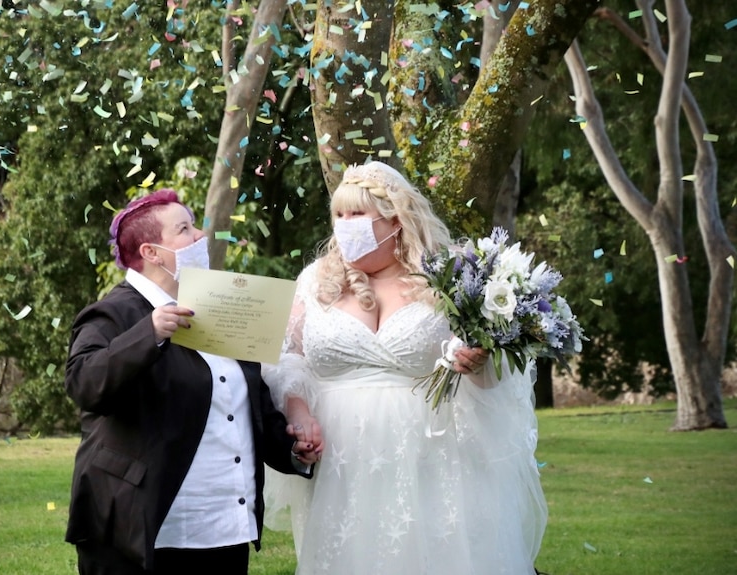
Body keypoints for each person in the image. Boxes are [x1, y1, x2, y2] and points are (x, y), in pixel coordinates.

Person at [262, 161, 548, 574]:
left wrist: (478, 361)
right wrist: (299, 412)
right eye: (338, 215)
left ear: (396, 219)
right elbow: (290, 359)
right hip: (343, 459)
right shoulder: (314, 281)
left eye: (357, 214)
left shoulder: (449, 276)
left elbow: (493, 375)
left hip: (433, 454)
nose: (344, 225)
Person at [64, 189, 318, 575]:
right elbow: (84, 383)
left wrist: (294, 449)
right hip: (143, 527)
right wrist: (148, 334)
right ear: (151, 252)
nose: (200, 236)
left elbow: (248, 406)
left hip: (224, 524)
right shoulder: (112, 313)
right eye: (184, 229)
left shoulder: (219, 306)